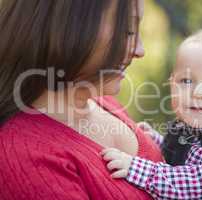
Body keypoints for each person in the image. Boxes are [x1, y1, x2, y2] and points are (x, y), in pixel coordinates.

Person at [0, 0, 165, 199]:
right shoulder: (25, 158)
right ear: (67, 26)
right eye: (128, 31)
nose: (140, 50)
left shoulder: (104, 102)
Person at [101, 29, 202, 200]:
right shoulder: (194, 124)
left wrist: (136, 169)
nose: (198, 93)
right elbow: (184, 154)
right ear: (171, 84)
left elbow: (189, 184)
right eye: (186, 81)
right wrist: (155, 140)